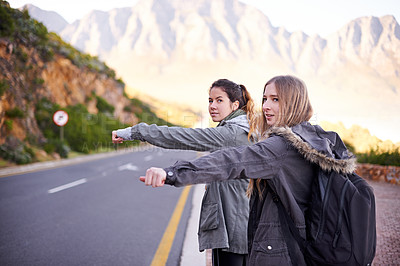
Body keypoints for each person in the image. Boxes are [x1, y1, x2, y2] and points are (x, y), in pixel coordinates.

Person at [140, 75, 357, 265]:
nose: (266, 107)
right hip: (307, 243)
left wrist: (171, 173)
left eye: (276, 99)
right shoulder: (320, 138)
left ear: (294, 102)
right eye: (265, 99)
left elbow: (230, 161)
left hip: (278, 247)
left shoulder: (279, 147)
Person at [112, 79, 255, 266]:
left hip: (235, 229)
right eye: (210, 100)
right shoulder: (239, 129)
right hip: (234, 225)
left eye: (219, 100)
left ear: (235, 104)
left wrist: (137, 131)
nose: (212, 105)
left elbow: (184, 137)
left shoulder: (232, 134)